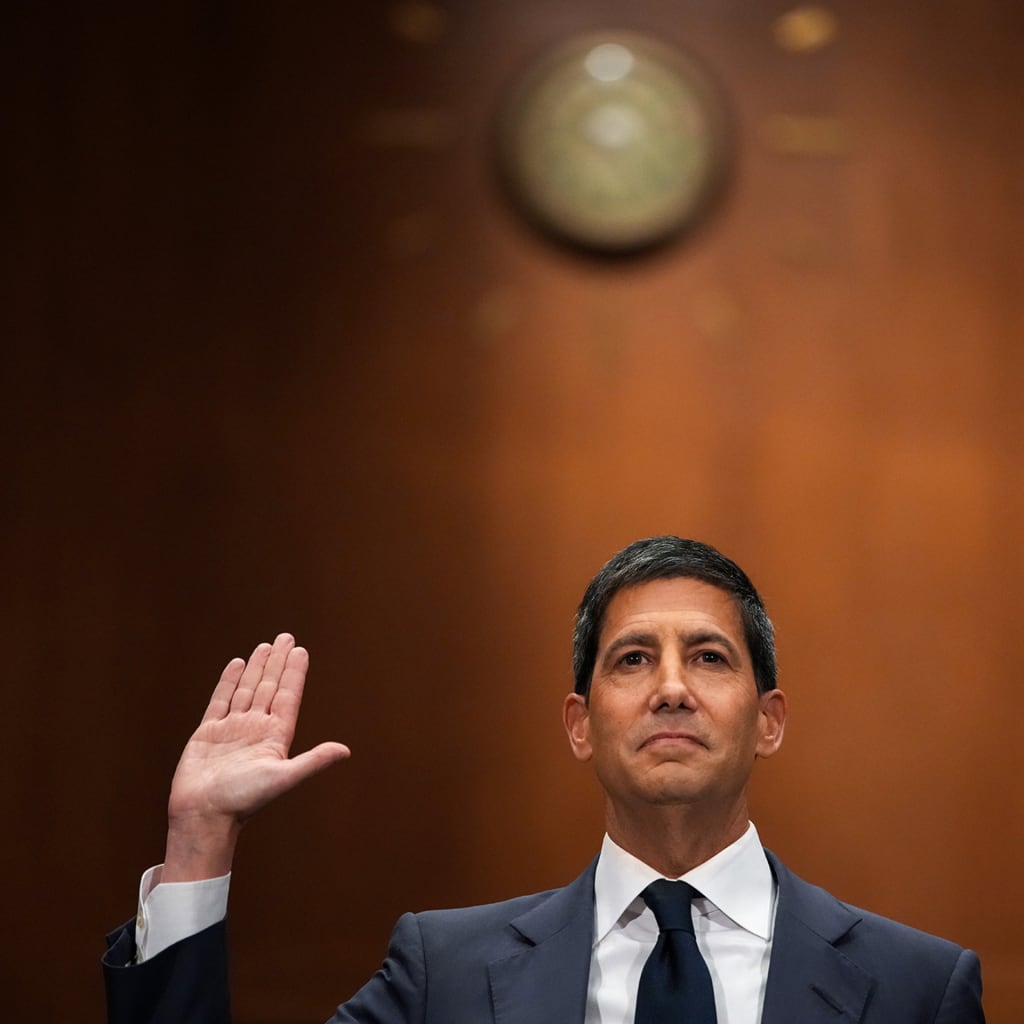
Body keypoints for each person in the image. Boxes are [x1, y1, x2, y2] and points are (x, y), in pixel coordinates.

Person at [103, 536, 985, 1023]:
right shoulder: (441, 975)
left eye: (709, 658)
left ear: (768, 720)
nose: (671, 688)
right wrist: (198, 844)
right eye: (633, 659)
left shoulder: (917, 988)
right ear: (579, 726)